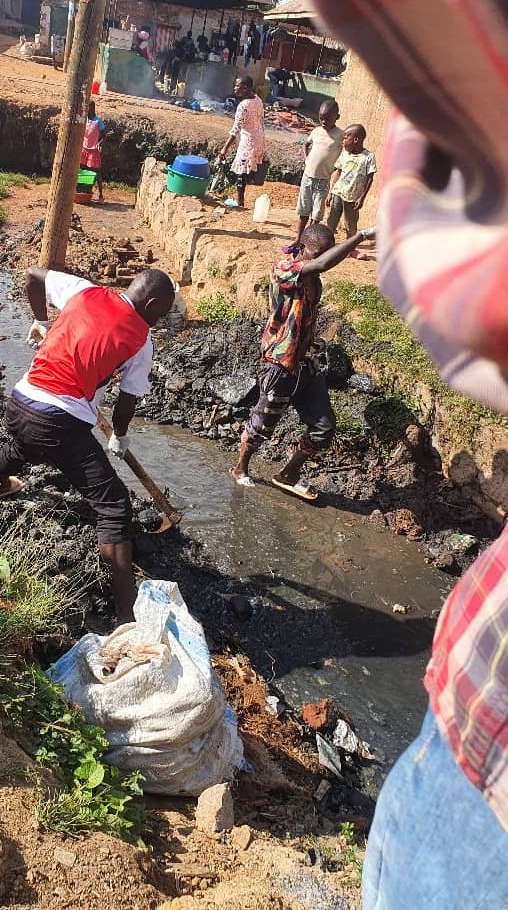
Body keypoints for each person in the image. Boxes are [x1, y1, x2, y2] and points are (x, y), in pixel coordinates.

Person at [311, 1, 508, 907]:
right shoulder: (290, 275)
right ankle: (245, 465)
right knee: (284, 408)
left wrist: (369, 228)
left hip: (479, 771)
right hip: (477, 767)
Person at [0, 268, 175, 623]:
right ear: (151, 303)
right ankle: (127, 617)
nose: (159, 321)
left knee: (27, 443)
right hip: (59, 421)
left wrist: (41, 320)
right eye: (161, 313)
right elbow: (128, 398)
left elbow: (32, 277)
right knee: (114, 506)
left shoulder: (85, 291)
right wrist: (120, 433)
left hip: (21, 401)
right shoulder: (141, 338)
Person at [231, 222, 375, 495]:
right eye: (316, 252)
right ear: (301, 247)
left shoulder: (313, 278)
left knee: (324, 428)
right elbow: (318, 266)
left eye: (325, 254)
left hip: (305, 363)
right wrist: (362, 236)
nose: (320, 259)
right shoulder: (284, 269)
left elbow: (318, 269)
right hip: (280, 363)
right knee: (262, 424)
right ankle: (240, 468)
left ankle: (288, 473)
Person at [294, 99, 343, 243]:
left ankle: (308, 240)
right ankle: (298, 239)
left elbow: (344, 155)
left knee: (316, 214)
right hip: (307, 177)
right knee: (303, 210)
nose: (323, 121)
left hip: (323, 180)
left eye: (327, 119)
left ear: (337, 117)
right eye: (321, 118)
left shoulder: (340, 135)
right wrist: (306, 158)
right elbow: (306, 144)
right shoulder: (316, 131)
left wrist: (335, 167)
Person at [218, 76, 266, 209]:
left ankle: (240, 203)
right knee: (245, 171)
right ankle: (241, 202)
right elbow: (261, 120)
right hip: (259, 138)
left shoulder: (243, 106)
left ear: (245, 88)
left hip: (248, 141)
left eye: (237, 86)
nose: (234, 88)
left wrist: (224, 149)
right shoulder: (258, 100)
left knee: (241, 173)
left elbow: (236, 130)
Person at [326, 123, 376, 237]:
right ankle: (327, 243)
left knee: (351, 224)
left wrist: (362, 197)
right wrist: (330, 192)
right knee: (331, 220)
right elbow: (338, 172)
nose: (342, 141)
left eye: (345, 138)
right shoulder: (345, 154)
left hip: (353, 198)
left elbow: (370, 178)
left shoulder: (368, 157)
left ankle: (349, 247)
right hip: (338, 193)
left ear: (356, 140)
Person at [81, 100, 105, 203]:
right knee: (83, 171)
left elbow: (104, 135)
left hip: (93, 150)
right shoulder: (84, 120)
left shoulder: (98, 121)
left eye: (88, 108)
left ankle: (100, 195)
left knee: (96, 172)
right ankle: (85, 191)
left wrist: (99, 143)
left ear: (92, 108)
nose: (86, 110)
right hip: (84, 149)